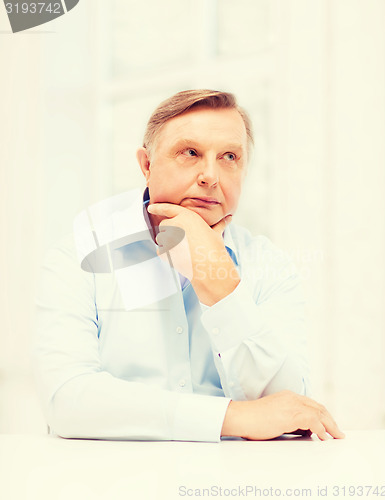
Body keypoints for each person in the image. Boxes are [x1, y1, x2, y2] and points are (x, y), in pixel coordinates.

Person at [34, 89, 345, 442]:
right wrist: (232, 418)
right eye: (190, 153)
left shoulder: (270, 265)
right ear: (147, 165)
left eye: (229, 156)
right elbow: (67, 401)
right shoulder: (79, 256)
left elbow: (290, 410)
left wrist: (218, 279)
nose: (210, 176)